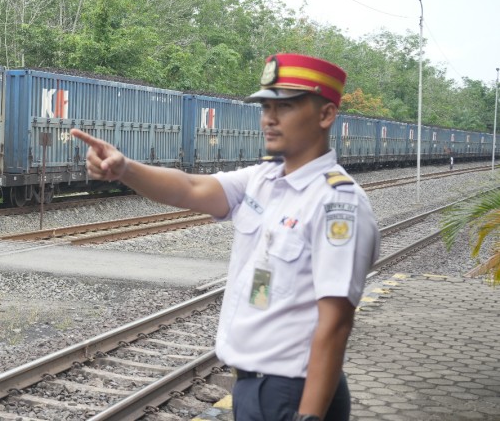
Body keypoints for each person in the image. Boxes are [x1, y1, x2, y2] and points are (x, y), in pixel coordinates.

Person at [71, 53, 380, 421]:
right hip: (254, 389)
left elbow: (336, 322)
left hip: (292, 394)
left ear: (326, 115)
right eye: (266, 106)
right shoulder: (265, 179)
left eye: (286, 106)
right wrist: (124, 169)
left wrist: (309, 418)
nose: (269, 118)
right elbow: (189, 187)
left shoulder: (336, 202)